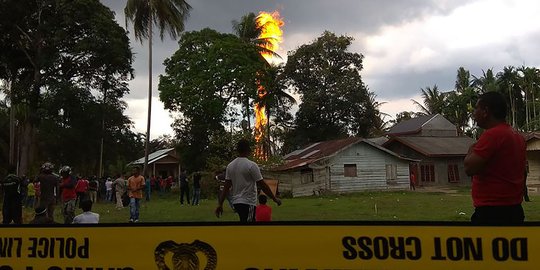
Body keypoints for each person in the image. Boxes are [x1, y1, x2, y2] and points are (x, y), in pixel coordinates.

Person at [464, 91, 526, 225]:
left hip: (492, 212)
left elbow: (469, 168)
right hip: (514, 208)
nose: (474, 113)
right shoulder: (516, 135)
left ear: (486, 111)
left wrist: (471, 149)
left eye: (476, 108)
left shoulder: (492, 135)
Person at [215, 139, 281, 222]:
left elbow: (226, 187)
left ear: (237, 150)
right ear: (248, 150)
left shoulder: (230, 166)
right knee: (249, 227)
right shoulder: (251, 165)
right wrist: (274, 199)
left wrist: (220, 204)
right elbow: (262, 184)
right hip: (248, 202)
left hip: (236, 202)